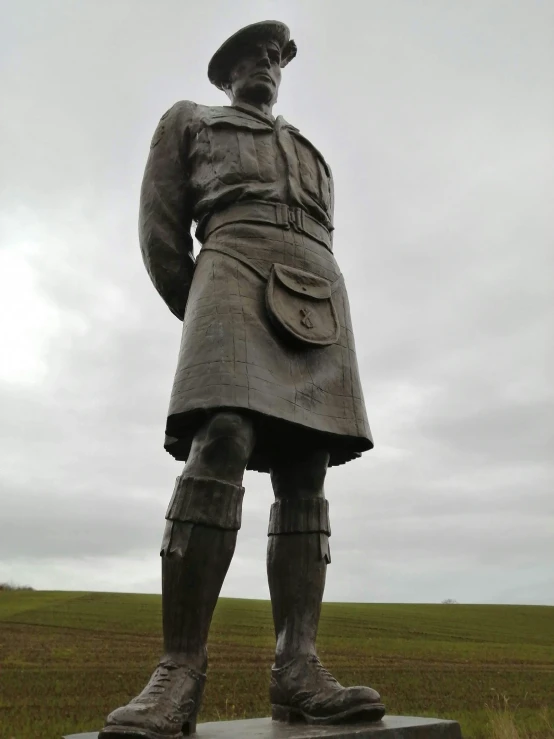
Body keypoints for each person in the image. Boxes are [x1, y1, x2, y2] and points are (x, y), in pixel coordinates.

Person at [100, 20, 384, 739]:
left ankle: (297, 665)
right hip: (229, 270)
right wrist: (203, 308)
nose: (266, 63)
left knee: (307, 466)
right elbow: (161, 234)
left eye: (275, 56)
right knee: (222, 433)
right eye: (252, 55)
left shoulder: (311, 151)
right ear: (226, 71)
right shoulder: (189, 122)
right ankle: (180, 668)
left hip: (317, 290)